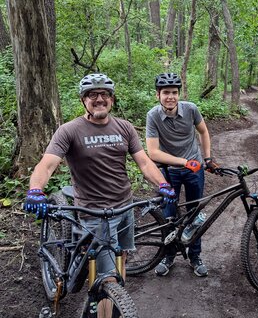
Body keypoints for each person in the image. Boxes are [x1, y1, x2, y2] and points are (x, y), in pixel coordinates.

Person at [23, 72, 176, 279]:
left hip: (124, 207)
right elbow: (47, 165)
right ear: (83, 100)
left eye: (104, 94)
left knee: (121, 256)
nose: (99, 99)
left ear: (111, 99)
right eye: (92, 95)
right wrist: (35, 190)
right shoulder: (69, 130)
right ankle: (103, 304)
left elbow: (144, 162)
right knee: (106, 276)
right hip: (94, 212)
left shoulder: (125, 127)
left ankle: (117, 302)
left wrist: (163, 184)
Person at [146, 72, 219, 278]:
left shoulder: (191, 109)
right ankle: (168, 256)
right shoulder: (153, 116)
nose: (171, 96)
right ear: (158, 95)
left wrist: (207, 158)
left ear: (179, 94)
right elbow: (153, 152)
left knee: (194, 214)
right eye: (166, 92)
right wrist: (184, 161)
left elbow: (203, 132)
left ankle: (195, 256)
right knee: (169, 216)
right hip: (170, 171)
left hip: (194, 169)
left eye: (174, 92)